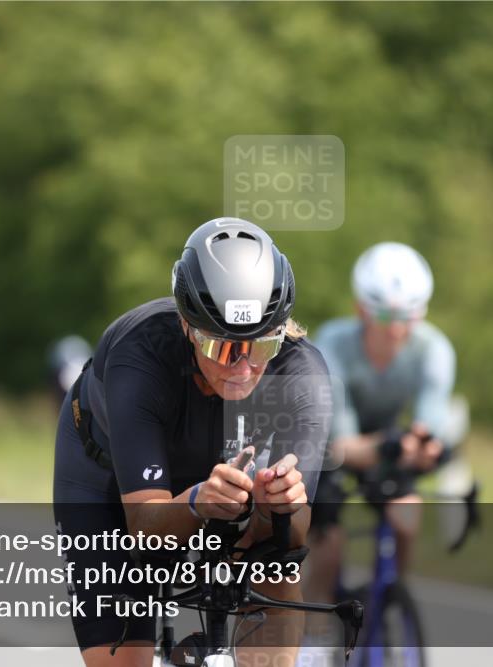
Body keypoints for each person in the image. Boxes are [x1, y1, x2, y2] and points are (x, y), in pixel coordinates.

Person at [53, 217, 332, 667]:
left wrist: (276, 508)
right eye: (223, 349)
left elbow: (295, 532)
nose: (242, 369)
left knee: (277, 561)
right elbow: (144, 526)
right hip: (106, 477)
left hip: (218, 477)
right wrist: (200, 500)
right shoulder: (139, 353)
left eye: (260, 347)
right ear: (187, 326)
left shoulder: (303, 375)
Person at [304, 242, 458, 608]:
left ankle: (390, 600)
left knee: (406, 515)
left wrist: (425, 449)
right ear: (361, 309)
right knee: (329, 542)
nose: (398, 328)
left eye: (410, 316)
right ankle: (317, 618)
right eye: (387, 317)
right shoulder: (332, 344)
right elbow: (340, 444)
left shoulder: (435, 350)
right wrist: (392, 445)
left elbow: (428, 427)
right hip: (333, 445)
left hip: (388, 444)